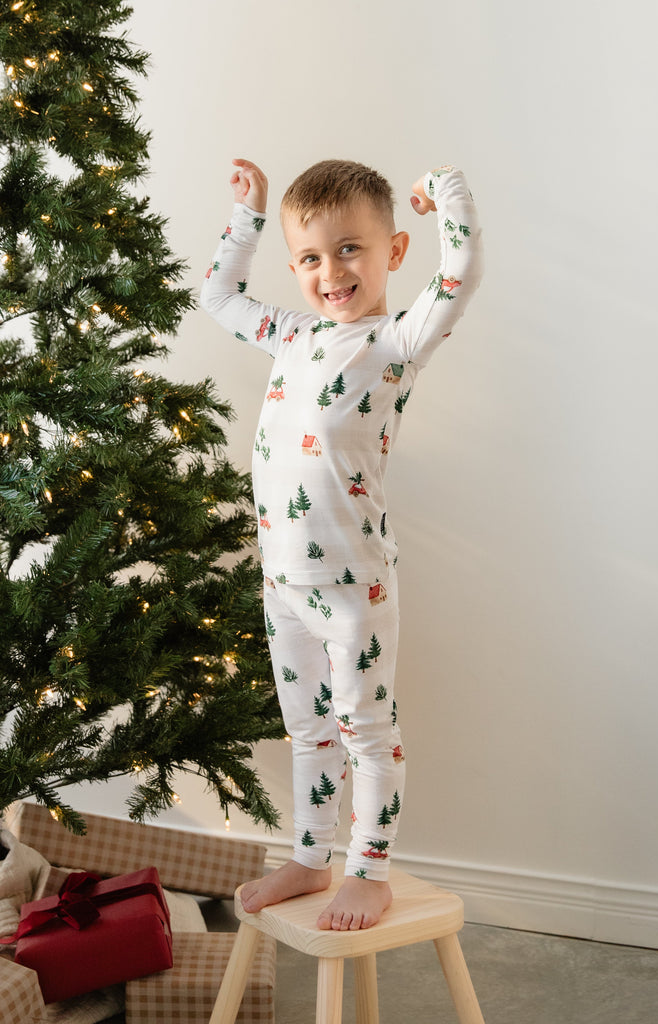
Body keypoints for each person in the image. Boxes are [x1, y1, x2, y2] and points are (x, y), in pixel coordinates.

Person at [200, 157, 482, 930]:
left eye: (351, 249)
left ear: (392, 251)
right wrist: (249, 220)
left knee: (365, 729)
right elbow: (217, 296)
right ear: (296, 265)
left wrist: (445, 193)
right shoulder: (292, 333)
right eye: (313, 257)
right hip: (282, 581)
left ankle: (369, 871)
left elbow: (460, 270)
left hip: (355, 585)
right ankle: (309, 856)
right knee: (307, 729)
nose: (332, 272)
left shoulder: (395, 341)